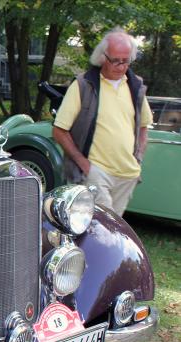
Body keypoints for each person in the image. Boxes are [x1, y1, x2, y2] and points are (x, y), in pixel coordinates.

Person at [53, 27, 153, 216]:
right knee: (100, 226)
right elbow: (59, 130)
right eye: (115, 60)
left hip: (127, 174)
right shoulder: (84, 85)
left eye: (126, 61)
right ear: (102, 57)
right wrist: (83, 162)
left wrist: (138, 158)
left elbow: (143, 127)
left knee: (113, 231)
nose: (121, 66)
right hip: (96, 172)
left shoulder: (135, 86)